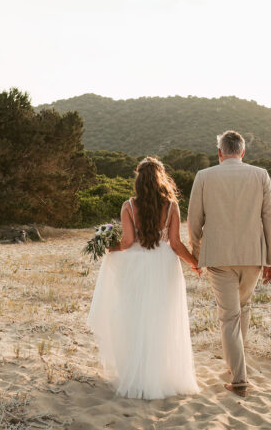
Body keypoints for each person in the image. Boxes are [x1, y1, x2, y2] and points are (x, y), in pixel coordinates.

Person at [87, 157, 201, 399]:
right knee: (162, 319)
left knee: (136, 317)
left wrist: (109, 246)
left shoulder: (128, 205)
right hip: (163, 265)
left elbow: (127, 242)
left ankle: (137, 374)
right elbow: (175, 243)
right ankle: (162, 374)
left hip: (137, 266)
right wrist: (194, 263)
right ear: (161, 179)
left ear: (138, 180)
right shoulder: (171, 206)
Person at [187, 130, 271, 397]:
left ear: (219, 153)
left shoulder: (204, 176)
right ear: (242, 152)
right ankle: (236, 364)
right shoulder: (260, 174)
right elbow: (269, 218)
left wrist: (195, 254)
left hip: (218, 256)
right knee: (244, 308)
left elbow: (194, 219)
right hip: (253, 256)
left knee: (229, 316)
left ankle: (239, 379)